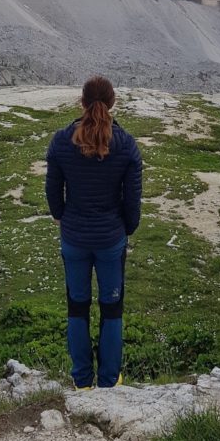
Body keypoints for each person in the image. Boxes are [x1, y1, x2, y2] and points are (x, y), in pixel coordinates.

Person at [45, 76, 142, 389]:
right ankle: (110, 381)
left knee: (77, 306)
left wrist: (61, 216)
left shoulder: (62, 140)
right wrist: (125, 229)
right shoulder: (126, 144)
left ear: (81, 102)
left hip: (74, 237)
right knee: (112, 309)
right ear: (112, 103)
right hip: (111, 239)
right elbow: (132, 200)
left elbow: (52, 191)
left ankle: (82, 380)